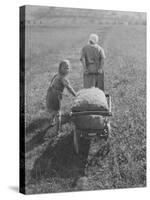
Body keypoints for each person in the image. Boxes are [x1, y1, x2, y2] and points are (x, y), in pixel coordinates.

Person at [46, 60, 76, 134]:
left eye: (67, 67)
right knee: (58, 114)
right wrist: (76, 95)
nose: (66, 69)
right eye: (65, 67)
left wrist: (58, 92)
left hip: (50, 94)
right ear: (60, 68)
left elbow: (51, 83)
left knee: (53, 110)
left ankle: (51, 122)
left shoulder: (56, 75)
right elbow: (69, 88)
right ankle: (57, 132)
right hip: (55, 97)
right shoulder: (63, 78)